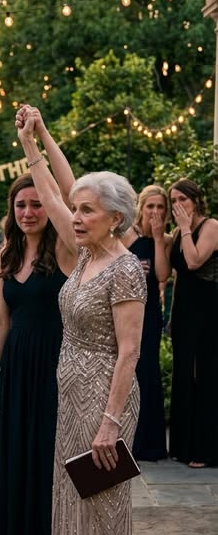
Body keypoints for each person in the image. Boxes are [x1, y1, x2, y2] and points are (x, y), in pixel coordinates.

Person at [17, 105, 146, 535]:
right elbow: (59, 191)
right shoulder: (86, 253)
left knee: (102, 516)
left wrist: (110, 424)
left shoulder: (125, 269)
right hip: (70, 400)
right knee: (73, 510)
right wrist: (35, 141)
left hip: (104, 405)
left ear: (114, 219)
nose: (76, 215)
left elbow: (130, 353)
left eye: (88, 210)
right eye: (77, 209)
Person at [0, 174, 76, 535]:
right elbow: (1, 320)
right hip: (17, 371)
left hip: (55, 368)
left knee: (45, 466)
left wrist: (36, 150)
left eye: (37, 204)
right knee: (16, 463)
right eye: (21, 205)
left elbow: (68, 192)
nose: (28, 212)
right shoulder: (8, 252)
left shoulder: (66, 249)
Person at [168, 178, 218, 468]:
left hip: (208, 311)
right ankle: (183, 446)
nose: (178, 205)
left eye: (182, 199)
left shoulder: (210, 226)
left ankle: (205, 449)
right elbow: (176, 276)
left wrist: (186, 229)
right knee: (183, 374)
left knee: (205, 376)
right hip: (184, 311)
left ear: (196, 200)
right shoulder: (178, 231)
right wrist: (172, 316)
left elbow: (194, 261)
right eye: (173, 201)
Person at [122, 185, 171, 461]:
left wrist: (158, 238)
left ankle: (149, 443)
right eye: (150, 206)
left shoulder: (163, 239)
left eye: (160, 207)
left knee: (147, 373)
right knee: (125, 371)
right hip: (123, 312)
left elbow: (162, 275)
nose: (155, 212)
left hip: (149, 315)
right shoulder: (126, 234)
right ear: (140, 207)